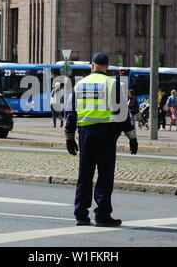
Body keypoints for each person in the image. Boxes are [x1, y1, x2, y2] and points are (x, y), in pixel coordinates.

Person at [65, 52, 138, 227]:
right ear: (107, 66)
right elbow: (123, 114)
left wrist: (69, 137)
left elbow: (71, 113)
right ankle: (102, 215)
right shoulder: (113, 84)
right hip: (106, 134)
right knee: (105, 175)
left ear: (92, 65)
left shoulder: (80, 85)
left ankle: (81, 214)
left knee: (85, 174)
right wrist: (132, 137)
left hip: (85, 134)